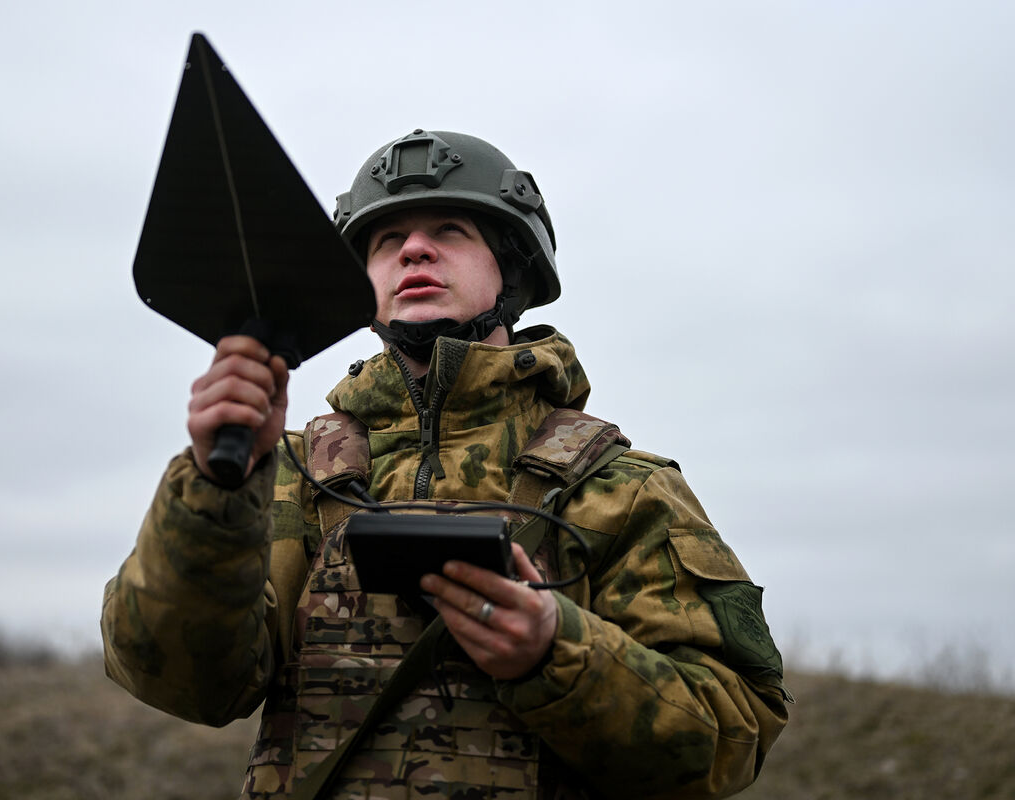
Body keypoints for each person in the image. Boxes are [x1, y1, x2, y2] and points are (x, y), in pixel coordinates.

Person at [102, 129, 790, 799]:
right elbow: (183, 683)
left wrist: (555, 652)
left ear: (511, 268)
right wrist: (216, 490)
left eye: (450, 230)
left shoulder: (620, 487)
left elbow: (731, 738)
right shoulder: (287, 475)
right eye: (387, 240)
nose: (414, 249)